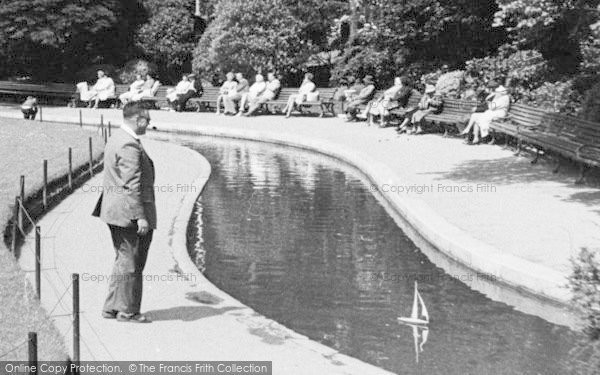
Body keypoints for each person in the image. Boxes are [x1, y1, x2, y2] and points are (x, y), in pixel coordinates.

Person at [92, 102, 156, 323]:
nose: (149, 124)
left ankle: (112, 307)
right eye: (147, 120)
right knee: (133, 262)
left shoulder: (117, 137)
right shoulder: (130, 145)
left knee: (123, 259)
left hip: (114, 210)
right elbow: (132, 184)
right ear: (138, 119)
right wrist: (141, 216)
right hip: (128, 213)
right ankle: (128, 311)